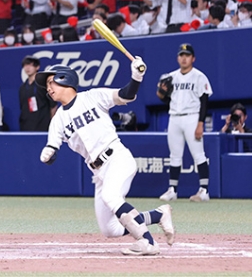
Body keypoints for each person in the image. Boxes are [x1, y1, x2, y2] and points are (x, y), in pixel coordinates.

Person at [35, 61, 174, 256]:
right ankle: (158, 215)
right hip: (98, 172)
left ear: (64, 78)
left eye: (51, 82)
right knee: (110, 229)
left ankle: (147, 242)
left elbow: (125, 95)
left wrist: (136, 77)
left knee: (111, 197)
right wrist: (48, 153)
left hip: (116, 157)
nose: (48, 88)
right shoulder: (57, 119)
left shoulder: (92, 96)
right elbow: (52, 147)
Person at [157, 44, 213, 203]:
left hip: (192, 117)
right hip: (174, 117)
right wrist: (161, 92)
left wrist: (200, 123)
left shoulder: (199, 76)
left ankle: (204, 191)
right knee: (174, 156)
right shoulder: (172, 76)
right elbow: (164, 99)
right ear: (177, 58)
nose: (184, 58)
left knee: (198, 154)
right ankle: (172, 190)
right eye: (181, 55)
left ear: (193, 58)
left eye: (187, 55)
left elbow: (204, 101)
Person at [19, 56, 57, 132]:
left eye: (30, 65)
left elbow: (53, 105)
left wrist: (53, 124)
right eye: (25, 65)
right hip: (27, 126)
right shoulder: (22, 88)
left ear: (37, 67)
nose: (27, 68)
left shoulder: (44, 85)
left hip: (43, 125)